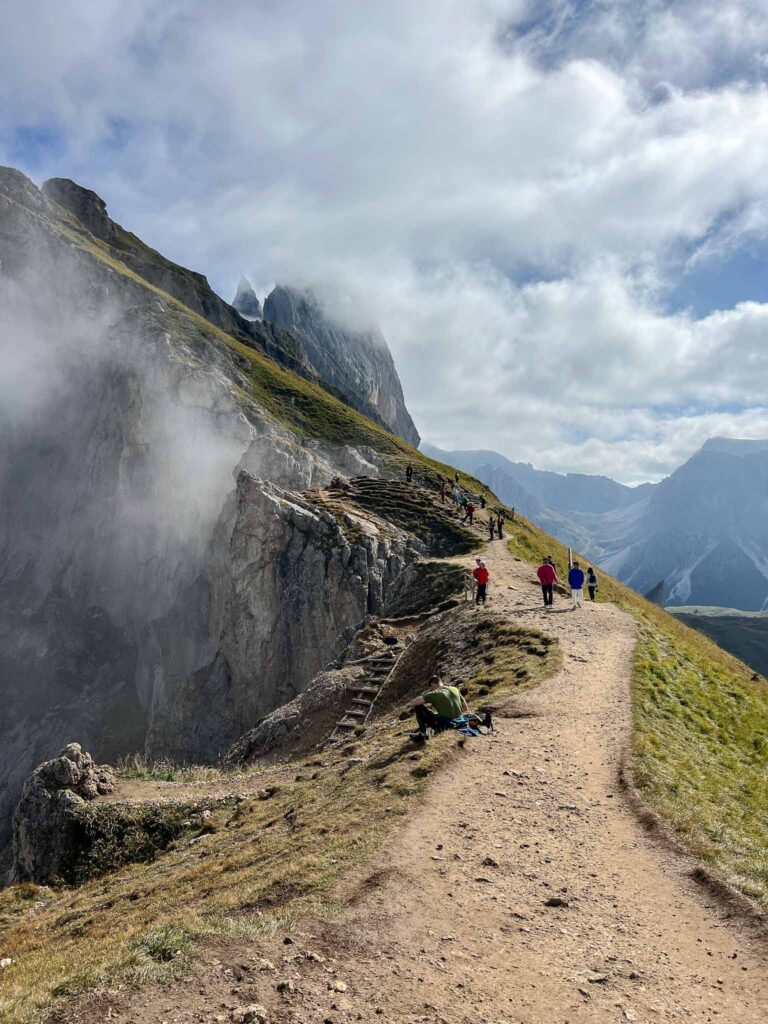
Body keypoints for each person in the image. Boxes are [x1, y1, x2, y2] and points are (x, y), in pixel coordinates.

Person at [408, 674, 469, 739]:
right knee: (435, 714)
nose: (431, 690)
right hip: (460, 721)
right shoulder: (455, 689)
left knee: (418, 707)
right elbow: (465, 708)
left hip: (446, 725)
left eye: (431, 688)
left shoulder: (435, 693)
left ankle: (423, 733)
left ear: (432, 684)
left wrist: (426, 695)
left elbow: (412, 703)